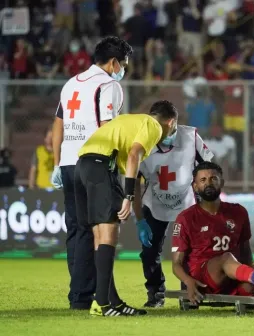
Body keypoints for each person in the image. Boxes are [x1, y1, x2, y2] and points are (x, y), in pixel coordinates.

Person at [50, 36, 133, 310]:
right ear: (113, 62)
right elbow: (108, 128)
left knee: (75, 230)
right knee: (96, 228)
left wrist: (56, 163)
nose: (124, 69)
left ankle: (79, 294)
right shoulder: (109, 85)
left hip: (68, 163)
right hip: (95, 163)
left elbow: (58, 126)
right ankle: (88, 297)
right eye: (124, 63)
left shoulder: (71, 83)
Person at [74, 100, 177, 317]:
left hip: (83, 165)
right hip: (102, 165)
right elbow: (134, 155)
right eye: (173, 127)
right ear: (171, 122)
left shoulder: (129, 120)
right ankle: (101, 303)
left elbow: (132, 162)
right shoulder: (154, 126)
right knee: (110, 230)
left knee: (99, 236)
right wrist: (128, 196)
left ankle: (113, 301)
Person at [172, 161, 254, 304]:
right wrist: (188, 281)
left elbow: (245, 254)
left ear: (221, 182)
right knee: (226, 257)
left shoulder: (238, 212)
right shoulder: (186, 218)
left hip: (232, 277)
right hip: (204, 279)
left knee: (252, 286)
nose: (208, 183)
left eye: (213, 179)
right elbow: (176, 263)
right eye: (203, 180)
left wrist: (253, 268)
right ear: (195, 186)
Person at [133, 102, 214, 308]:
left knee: (190, 254)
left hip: (186, 206)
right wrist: (140, 219)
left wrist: (208, 201)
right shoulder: (141, 142)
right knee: (149, 253)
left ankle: (188, 295)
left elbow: (210, 168)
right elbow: (133, 180)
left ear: (172, 123)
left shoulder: (191, 137)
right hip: (154, 205)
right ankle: (155, 294)